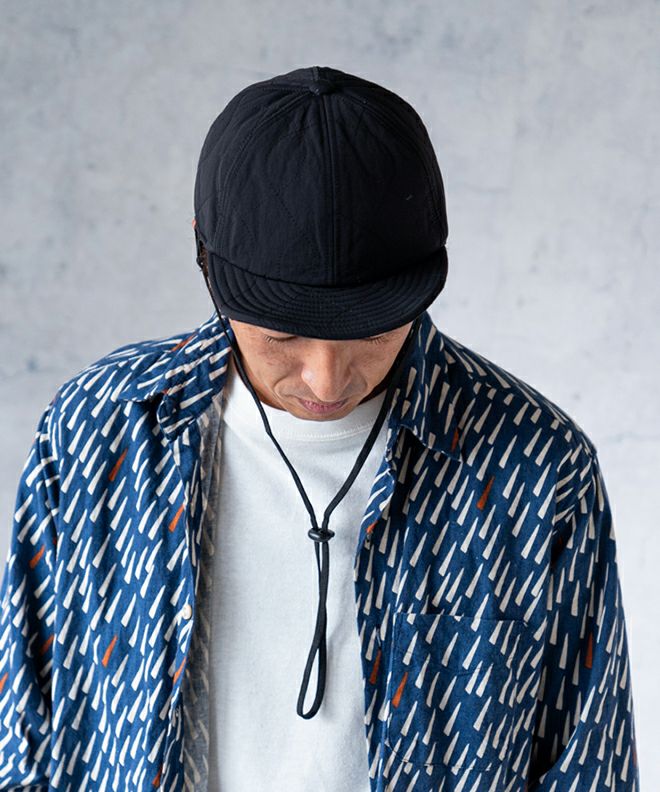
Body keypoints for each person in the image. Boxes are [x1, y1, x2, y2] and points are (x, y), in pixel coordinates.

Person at [0, 65, 639, 792]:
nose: (328, 381)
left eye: (373, 330)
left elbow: (589, 765)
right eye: (283, 336)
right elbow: (23, 736)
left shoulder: (536, 465)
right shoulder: (102, 429)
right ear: (203, 253)